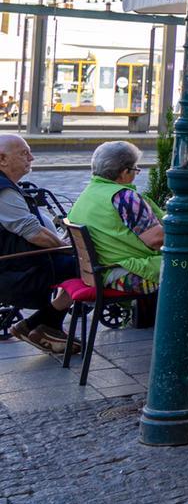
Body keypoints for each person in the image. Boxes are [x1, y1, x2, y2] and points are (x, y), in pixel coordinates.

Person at [0, 136, 77, 354]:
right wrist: (66, 248)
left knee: (78, 264)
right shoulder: (3, 190)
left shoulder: (6, 185)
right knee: (85, 267)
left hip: (19, 263)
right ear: (2, 159)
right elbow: (32, 232)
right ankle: (43, 324)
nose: (31, 158)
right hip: (17, 270)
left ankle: (35, 325)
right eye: (24, 153)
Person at [69, 141, 165, 295]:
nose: (136, 173)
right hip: (124, 273)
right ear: (124, 172)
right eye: (135, 169)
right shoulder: (124, 197)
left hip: (99, 270)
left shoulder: (89, 193)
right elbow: (155, 240)